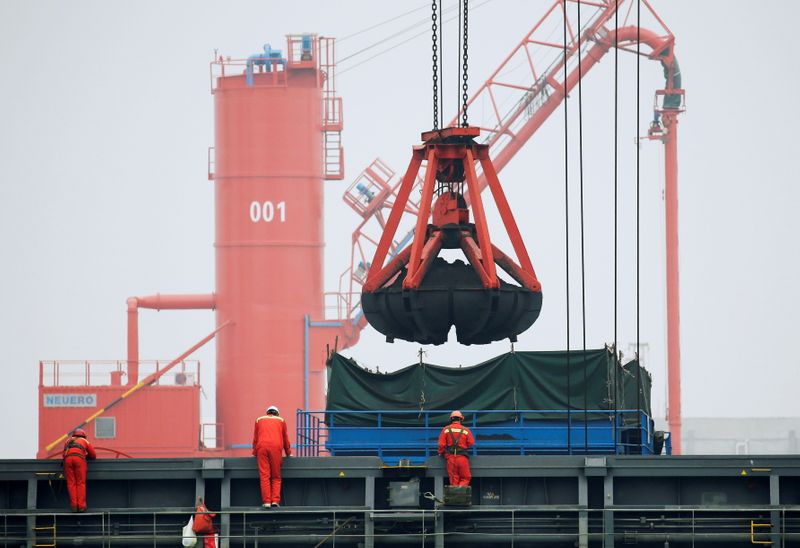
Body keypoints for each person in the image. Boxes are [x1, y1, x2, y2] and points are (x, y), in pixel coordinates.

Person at [252, 405, 292, 508]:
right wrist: (288, 453)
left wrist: (254, 452)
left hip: (262, 447)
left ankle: (266, 502)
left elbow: (256, 438)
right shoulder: (281, 420)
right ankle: (275, 501)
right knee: (276, 476)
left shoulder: (259, 420)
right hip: (276, 447)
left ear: (267, 412)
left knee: (264, 476)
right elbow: (285, 438)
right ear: (277, 413)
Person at [62, 428, 97, 512]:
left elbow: (63, 455)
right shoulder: (84, 441)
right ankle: (81, 506)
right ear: (84, 436)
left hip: (67, 460)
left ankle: (74, 506)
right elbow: (93, 455)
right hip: (79, 460)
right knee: (80, 483)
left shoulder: (68, 441)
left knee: (71, 483)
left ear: (74, 435)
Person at [437, 410, 474, 487]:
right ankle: (461, 493)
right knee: (466, 478)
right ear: (461, 419)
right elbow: (471, 443)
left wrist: (442, 453)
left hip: (451, 458)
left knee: (454, 480)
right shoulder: (466, 430)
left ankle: (455, 496)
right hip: (463, 458)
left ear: (451, 419)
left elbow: (441, 444)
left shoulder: (446, 429)